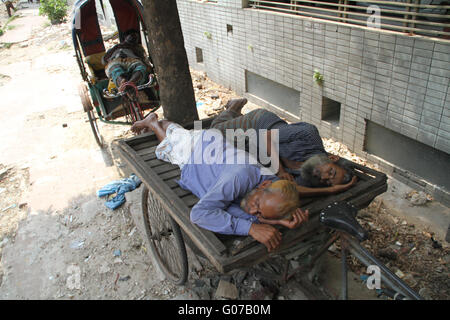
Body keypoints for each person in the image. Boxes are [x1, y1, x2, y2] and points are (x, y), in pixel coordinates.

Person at [131, 114, 355, 252]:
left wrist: (281, 219)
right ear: (262, 187)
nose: (252, 209)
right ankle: (152, 123)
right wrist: (250, 227)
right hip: (197, 152)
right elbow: (199, 214)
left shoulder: (266, 186)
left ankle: (158, 122)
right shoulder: (239, 177)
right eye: (257, 203)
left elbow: (281, 194)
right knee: (170, 144)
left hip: (214, 148)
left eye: (259, 212)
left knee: (178, 134)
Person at [210, 98, 356, 189]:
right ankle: (233, 108)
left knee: (222, 145)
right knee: (214, 132)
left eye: (328, 183)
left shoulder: (310, 177)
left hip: (255, 147)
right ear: (332, 158)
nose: (324, 178)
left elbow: (295, 189)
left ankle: (233, 118)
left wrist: (330, 190)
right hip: (258, 124)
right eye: (331, 172)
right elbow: (264, 137)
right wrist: (281, 171)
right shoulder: (309, 135)